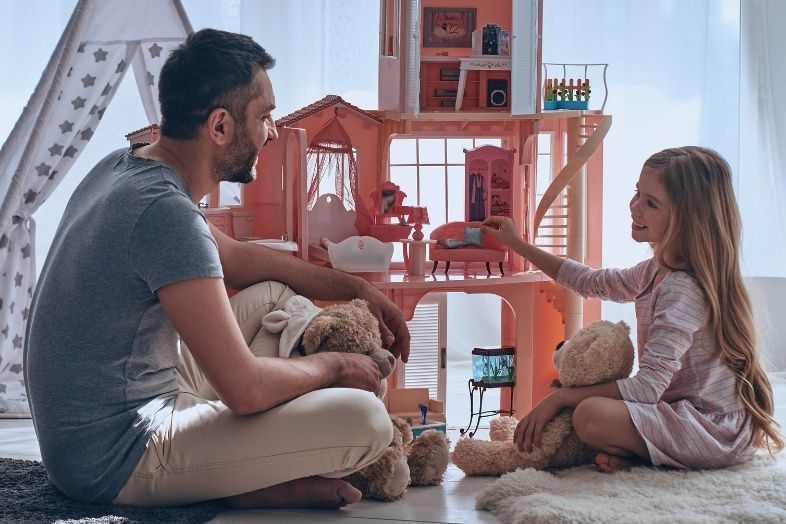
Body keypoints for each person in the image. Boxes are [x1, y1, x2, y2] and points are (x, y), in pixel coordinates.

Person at [24, 28, 410, 509]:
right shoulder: (165, 213)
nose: (271, 131)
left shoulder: (123, 166)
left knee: (273, 294)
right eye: (264, 116)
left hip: (91, 434)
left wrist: (355, 288)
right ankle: (243, 486)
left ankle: (235, 464)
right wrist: (336, 366)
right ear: (221, 127)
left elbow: (235, 258)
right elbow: (244, 390)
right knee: (365, 421)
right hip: (116, 459)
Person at [482, 146, 783, 473]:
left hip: (710, 430)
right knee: (589, 412)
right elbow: (591, 281)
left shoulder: (681, 289)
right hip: (682, 416)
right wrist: (519, 246)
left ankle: (641, 456)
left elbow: (648, 387)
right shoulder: (656, 270)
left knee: (587, 414)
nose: (635, 207)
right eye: (637, 193)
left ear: (687, 220)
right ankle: (640, 455)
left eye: (651, 203)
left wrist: (561, 396)